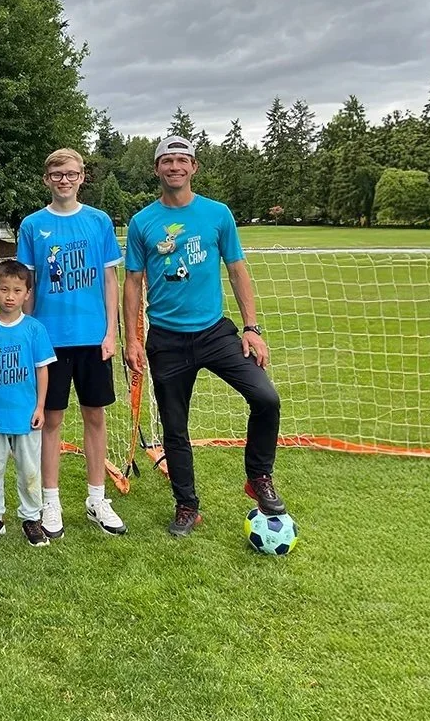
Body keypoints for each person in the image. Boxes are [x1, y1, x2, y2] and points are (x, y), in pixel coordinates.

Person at [123, 135, 287, 537]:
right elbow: (131, 283)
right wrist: (131, 340)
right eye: (167, 160)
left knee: (266, 398)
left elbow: (237, 270)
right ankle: (186, 506)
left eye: (182, 160)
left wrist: (252, 328)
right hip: (166, 339)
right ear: (156, 169)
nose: (175, 166)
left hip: (215, 333)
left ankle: (259, 477)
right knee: (175, 428)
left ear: (194, 167)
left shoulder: (217, 214)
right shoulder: (142, 222)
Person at [17, 147, 128, 539]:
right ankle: (51, 501)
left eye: (72, 173)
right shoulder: (32, 225)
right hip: (49, 340)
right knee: (51, 420)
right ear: (47, 179)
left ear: (83, 177)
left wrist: (111, 331)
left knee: (95, 416)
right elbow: (27, 287)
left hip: (92, 339)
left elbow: (110, 281)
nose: (65, 180)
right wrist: (27, 336)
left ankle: (97, 498)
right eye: (57, 174)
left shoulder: (99, 222)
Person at [0, 260, 55, 548]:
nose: (10, 296)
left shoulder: (34, 329)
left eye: (17, 290)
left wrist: (40, 407)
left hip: (27, 416)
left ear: (27, 294)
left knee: (30, 470)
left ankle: (31, 518)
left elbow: (43, 369)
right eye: (4, 289)